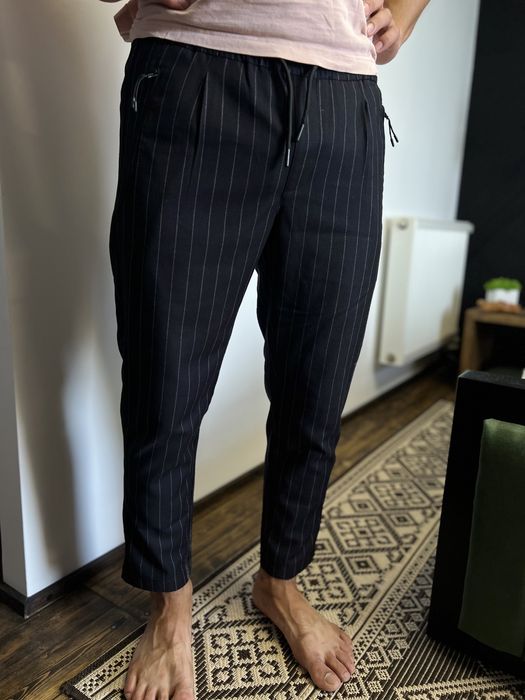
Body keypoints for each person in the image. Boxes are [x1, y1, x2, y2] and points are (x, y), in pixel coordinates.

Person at [100, 0, 430, 698]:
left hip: (342, 97)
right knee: (165, 380)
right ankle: (168, 611)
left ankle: (280, 581)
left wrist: (408, 7)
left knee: (318, 379)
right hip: (197, 74)